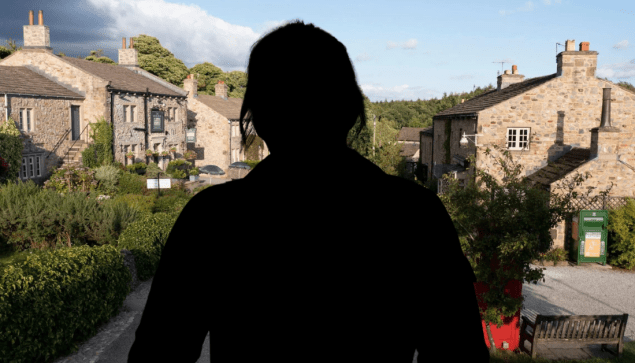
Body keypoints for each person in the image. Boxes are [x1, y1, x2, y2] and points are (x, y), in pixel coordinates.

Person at [128, 20, 490, 363]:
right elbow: (460, 354)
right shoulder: (416, 217)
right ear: (350, 111)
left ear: (258, 116)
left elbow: (158, 353)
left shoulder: (212, 220)